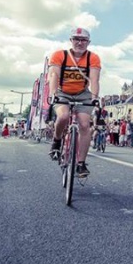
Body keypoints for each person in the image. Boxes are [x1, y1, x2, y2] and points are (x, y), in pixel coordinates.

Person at [47, 27, 101, 177]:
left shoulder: (93, 58)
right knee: (63, 116)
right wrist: (53, 94)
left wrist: (95, 97)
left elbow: (95, 79)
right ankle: (57, 141)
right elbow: (53, 76)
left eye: (83, 40)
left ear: (88, 42)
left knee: (84, 124)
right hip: (62, 91)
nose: (79, 43)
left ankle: (81, 164)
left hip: (82, 93)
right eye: (76, 39)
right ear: (71, 40)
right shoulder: (59, 55)